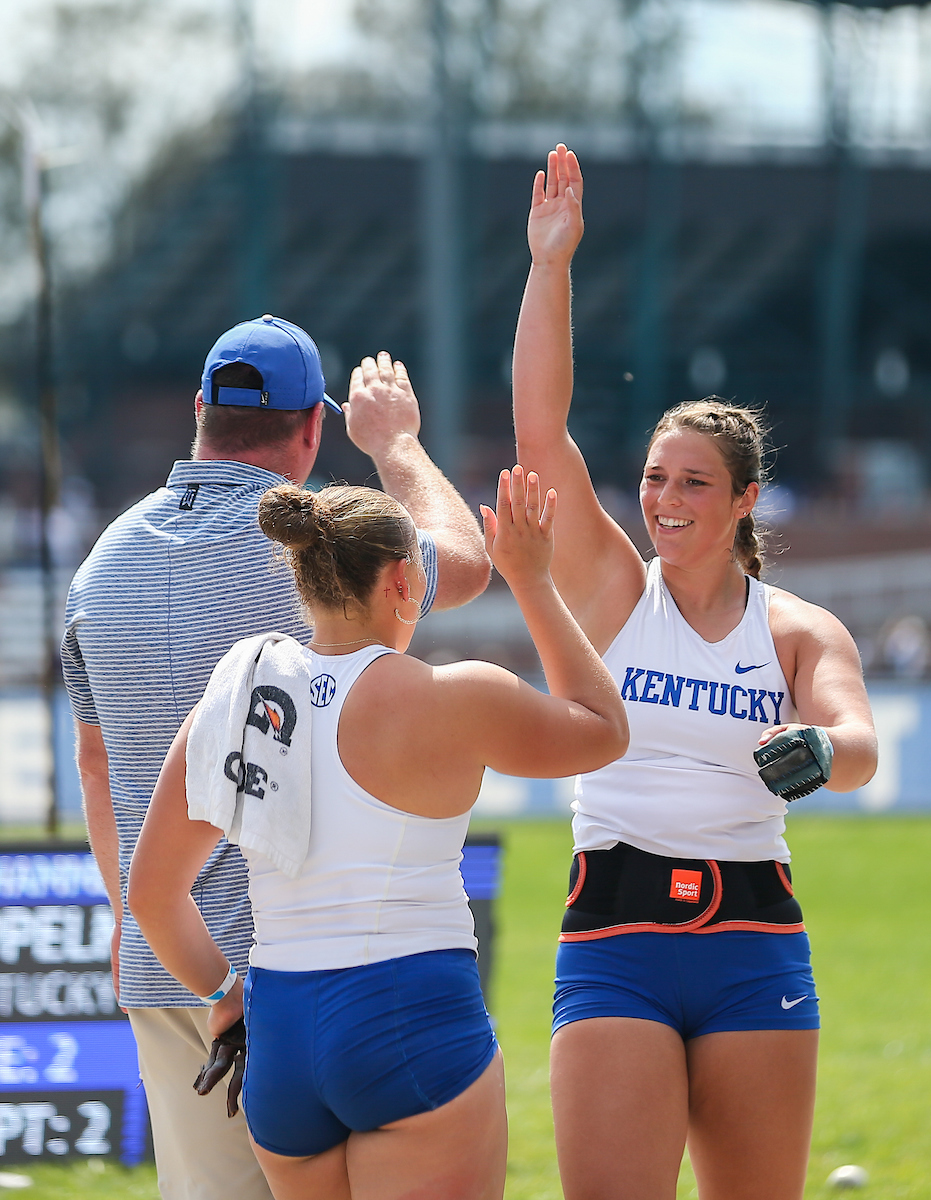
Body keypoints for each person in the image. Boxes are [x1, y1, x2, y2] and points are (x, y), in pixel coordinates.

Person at [512, 147, 878, 1200]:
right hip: (616, 935)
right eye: (654, 479)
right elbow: (542, 433)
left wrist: (820, 752)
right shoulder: (619, 592)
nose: (665, 500)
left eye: (694, 484)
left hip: (756, 941)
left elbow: (855, 745)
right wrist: (552, 265)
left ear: (746, 500)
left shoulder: (799, 630)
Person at [61, 317, 491, 1200]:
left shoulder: (99, 567)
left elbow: (98, 769)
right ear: (312, 429)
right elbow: (467, 561)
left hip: (170, 954)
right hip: (308, 962)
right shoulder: (323, 555)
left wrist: (139, 919)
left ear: (198, 412)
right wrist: (399, 445)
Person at [126, 466, 629, 1200]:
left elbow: (150, 894)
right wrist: (531, 579)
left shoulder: (233, 701)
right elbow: (605, 730)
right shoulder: (453, 695)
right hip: (409, 1010)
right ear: (402, 581)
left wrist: (226, 995)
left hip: (283, 1029)